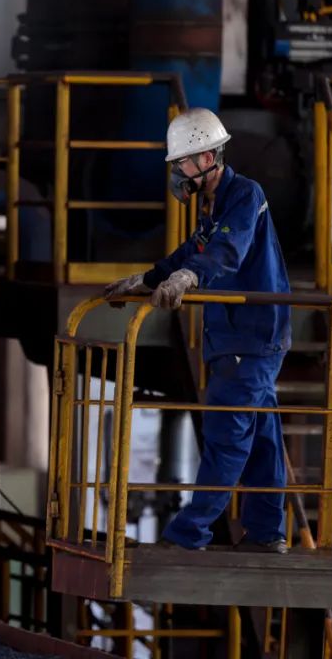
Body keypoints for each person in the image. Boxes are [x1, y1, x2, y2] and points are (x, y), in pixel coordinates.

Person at [103, 108, 292, 553]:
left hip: (249, 337)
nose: (178, 173)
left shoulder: (245, 195)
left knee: (227, 437)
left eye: (183, 163)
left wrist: (189, 278)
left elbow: (226, 249)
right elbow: (194, 249)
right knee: (261, 438)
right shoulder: (215, 205)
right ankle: (268, 532)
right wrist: (147, 279)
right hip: (243, 337)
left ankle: (189, 534)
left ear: (208, 158)